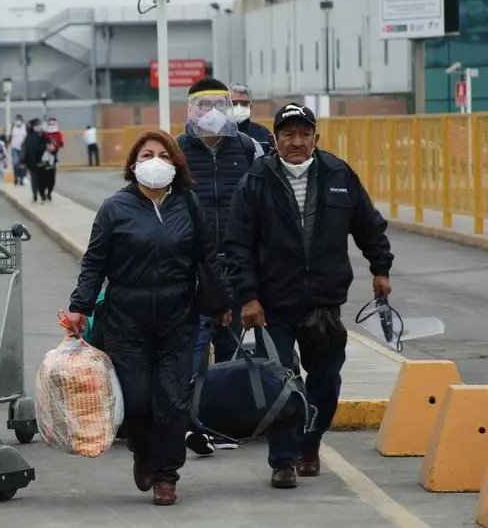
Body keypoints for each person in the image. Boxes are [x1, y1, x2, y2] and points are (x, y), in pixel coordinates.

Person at [223, 102, 394, 489]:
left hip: (323, 302)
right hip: (273, 306)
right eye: (288, 134)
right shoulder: (256, 180)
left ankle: (310, 443)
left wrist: (380, 268)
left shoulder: (338, 174)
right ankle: (283, 459)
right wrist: (248, 297)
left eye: (304, 134)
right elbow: (238, 246)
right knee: (278, 382)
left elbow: (369, 225)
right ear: (275, 139)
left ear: (316, 137)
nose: (296, 142)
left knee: (326, 381)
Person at [64, 130, 230, 507]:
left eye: (163, 155)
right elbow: (94, 263)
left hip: (178, 319)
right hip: (126, 321)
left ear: (175, 164)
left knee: (172, 402)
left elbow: (208, 256)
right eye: (146, 154)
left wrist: (223, 299)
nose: (155, 161)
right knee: (136, 401)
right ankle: (142, 451)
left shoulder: (189, 205)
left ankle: (166, 475)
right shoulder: (114, 208)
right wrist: (80, 306)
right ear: (133, 165)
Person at [176, 77, 263, 456]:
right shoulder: (176, 153)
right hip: (195, 273)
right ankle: (190, 424)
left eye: (219, 104)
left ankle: (221, 420)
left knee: (229, 354)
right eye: (203, 105)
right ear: (191, 110)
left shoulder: (246, 149)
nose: (211, 113)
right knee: (193, 351)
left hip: (237, 269)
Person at [229, 83, 273, 154]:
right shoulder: (218, 135)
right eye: (234, 103)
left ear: (250, 107)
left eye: (244, 104)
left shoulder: (263, 133)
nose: (239, 107)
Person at [9, 114, 28, 186]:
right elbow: (10, 136)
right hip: (14, 148)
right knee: (15, 163)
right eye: (16, 120)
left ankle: (23, 177)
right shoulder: (13, 127)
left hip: (23, 148)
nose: (18, 122)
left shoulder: (25, 127)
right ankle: (16, 177)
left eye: (19, 120)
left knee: (23, 164)